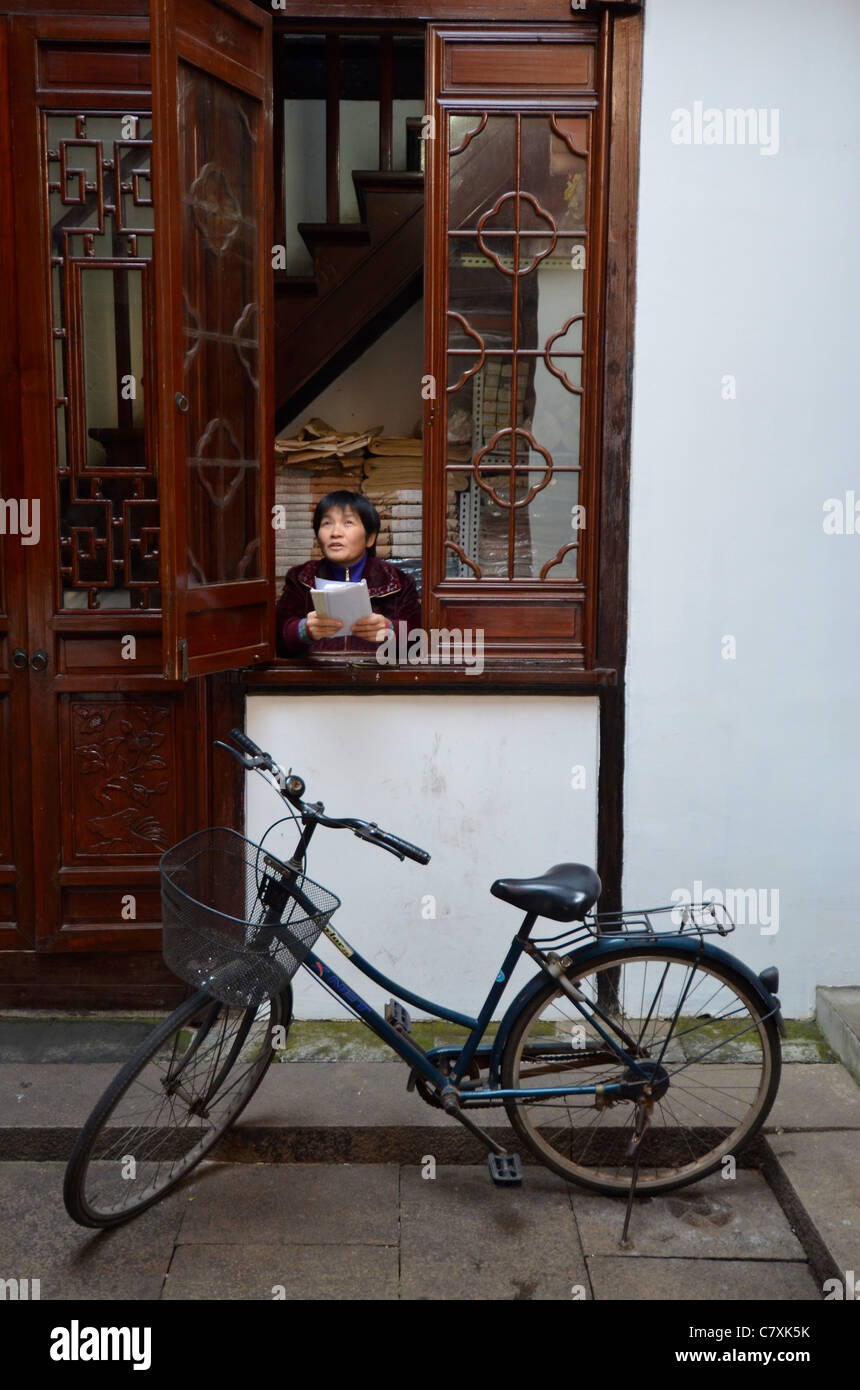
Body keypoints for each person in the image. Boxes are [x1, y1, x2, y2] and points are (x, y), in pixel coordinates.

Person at [276, 490, 420, 657]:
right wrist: (304, 630)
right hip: (315, 678)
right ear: (317, 536)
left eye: (348, 522)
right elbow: (276, 638)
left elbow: (420, 639)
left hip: (376, 678)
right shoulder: (300, 579)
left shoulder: (397, 582)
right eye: (327, 523)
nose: (335, 532)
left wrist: (390, 629)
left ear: (370, 538)